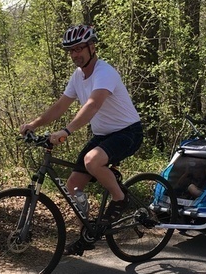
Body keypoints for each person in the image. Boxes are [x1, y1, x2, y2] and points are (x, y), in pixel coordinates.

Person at [19, 24, 143, 254]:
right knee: (73, 185)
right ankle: (88, 233)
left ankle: (120, 198)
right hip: (103, 135)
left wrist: (66, 131)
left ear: (92, 46)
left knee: (92, 161)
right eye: (71, 50)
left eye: (79, 48)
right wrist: (34, 124)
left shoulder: (104, 72)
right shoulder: (78, 76)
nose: (75, 54)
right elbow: (60, 106)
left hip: (128, 132)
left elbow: (93, 104)